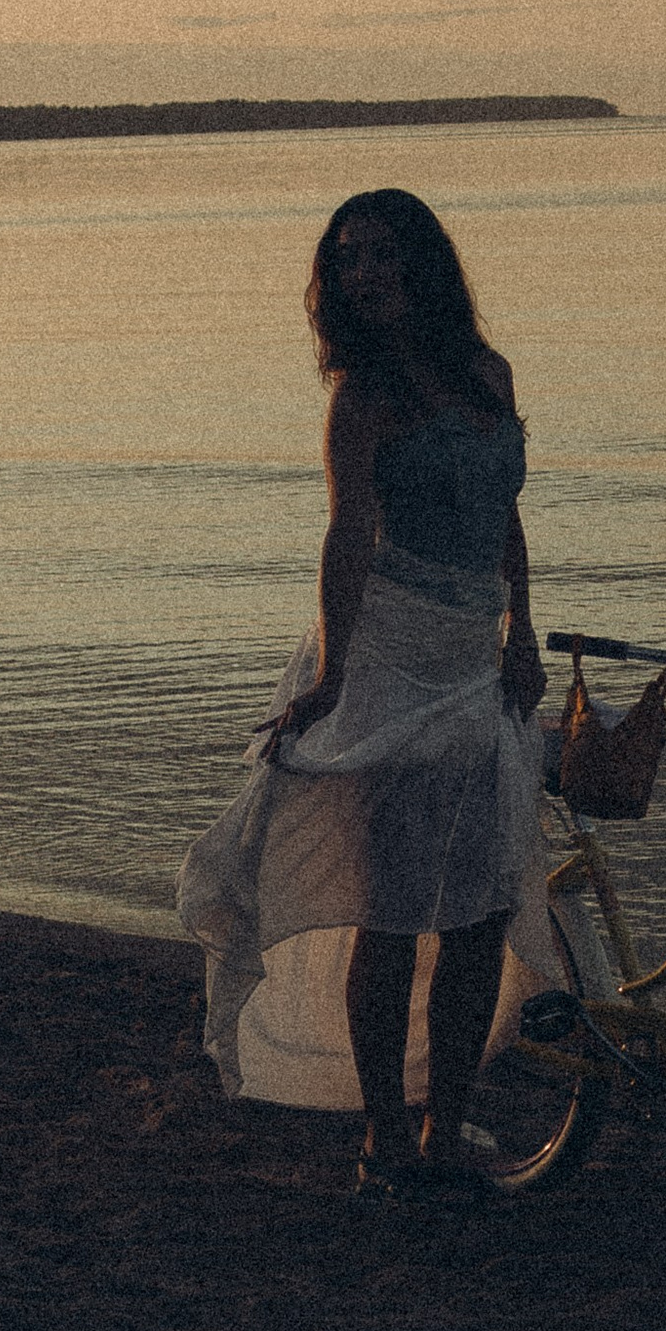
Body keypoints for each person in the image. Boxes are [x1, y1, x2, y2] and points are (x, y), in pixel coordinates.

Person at [175, 188, 554, 1199]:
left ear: (423, 263)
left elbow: (505, 516)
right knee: (390, 918)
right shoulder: (363, 398)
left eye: (383, 253)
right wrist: (335, 676)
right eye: (348, 259)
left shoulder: (486, 373)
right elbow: (347, 536)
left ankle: (445, 1129)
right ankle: (386, 1137)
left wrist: (522, 632)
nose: (365, 272)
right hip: (389, 664)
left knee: (480, 914)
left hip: (475, 664)